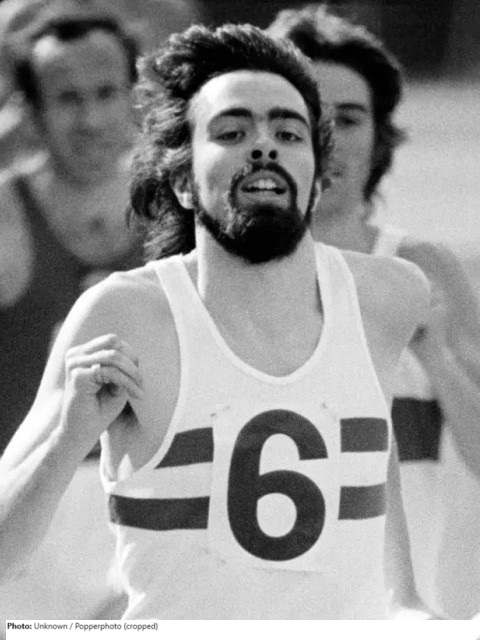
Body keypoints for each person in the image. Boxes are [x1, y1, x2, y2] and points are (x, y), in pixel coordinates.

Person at [0, 22, 432, 620]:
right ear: (181, 180)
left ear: (316, 177)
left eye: (288, 131)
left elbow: (368, 443)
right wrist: (67, 440)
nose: (264, 147)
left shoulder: (390, 297)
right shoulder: (124, 316)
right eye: (232, 131)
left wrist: (405, 601)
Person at [268, 3, 480, 618]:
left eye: (350, 118)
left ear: (381, 137)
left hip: (415, 609)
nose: (328, 139)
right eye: (305, 117)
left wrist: (434, 355)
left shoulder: (422, 268)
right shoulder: (225, 276)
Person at [0, 0, 145, 625]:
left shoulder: (180, 212)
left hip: (150, 514)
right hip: (31, 525)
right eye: (67, 99)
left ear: (136, 98)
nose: (90, 119)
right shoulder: (6, 217)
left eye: (106, 93)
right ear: (31, 113)